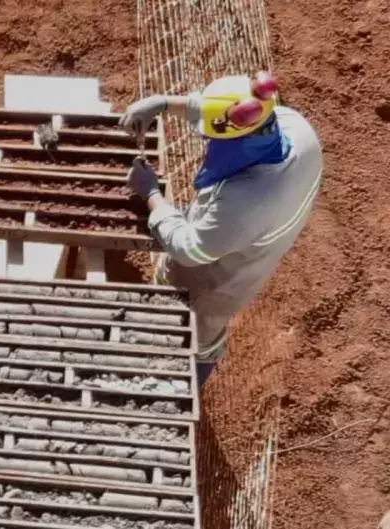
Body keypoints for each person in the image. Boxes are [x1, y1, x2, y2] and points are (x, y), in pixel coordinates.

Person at [118, 72, 323, 387]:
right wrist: (163, 103)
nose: (209, 143)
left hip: (215, 285)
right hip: (248, 238)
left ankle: (189, 385)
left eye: (213, 139)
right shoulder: (295, 128)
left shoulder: (245, 202)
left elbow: (188, 249)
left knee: (200, 338)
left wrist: (151, 194)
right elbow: (224, 114)